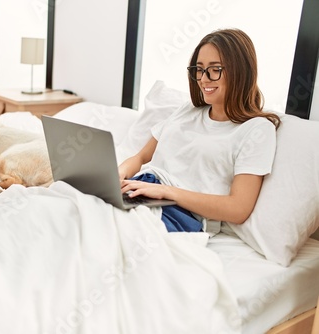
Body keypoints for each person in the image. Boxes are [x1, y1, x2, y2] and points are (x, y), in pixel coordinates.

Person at [118, 28, 281, 234]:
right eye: (199, 69)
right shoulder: (188, 110)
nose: (203, 79)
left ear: (241, 71)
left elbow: (239, 208)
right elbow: (141, 156)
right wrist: (119, 173)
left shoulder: (257, 129)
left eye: (214, 69)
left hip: (178, 213)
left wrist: (166, 192)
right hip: (141, 190)